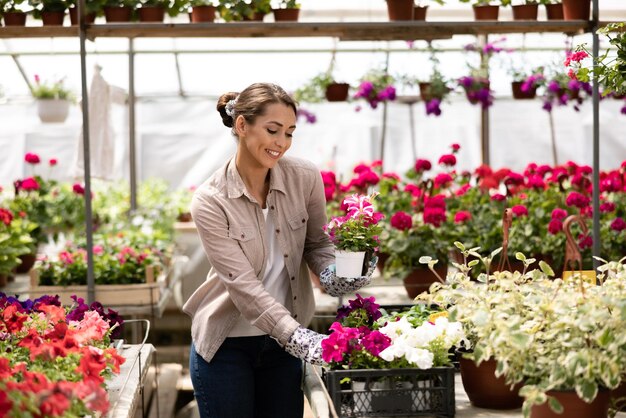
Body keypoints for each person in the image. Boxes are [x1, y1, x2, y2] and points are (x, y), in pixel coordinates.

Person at [182, 82, 376, 418]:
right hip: (227, 347)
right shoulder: (211, 200)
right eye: (273, 130)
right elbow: (244, 287)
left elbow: (317, 244)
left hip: (281, 348)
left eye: (289, 133)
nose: (281, 143)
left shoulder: (304, 177)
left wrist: (338, 274)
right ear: (242, 126)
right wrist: (301, 338)